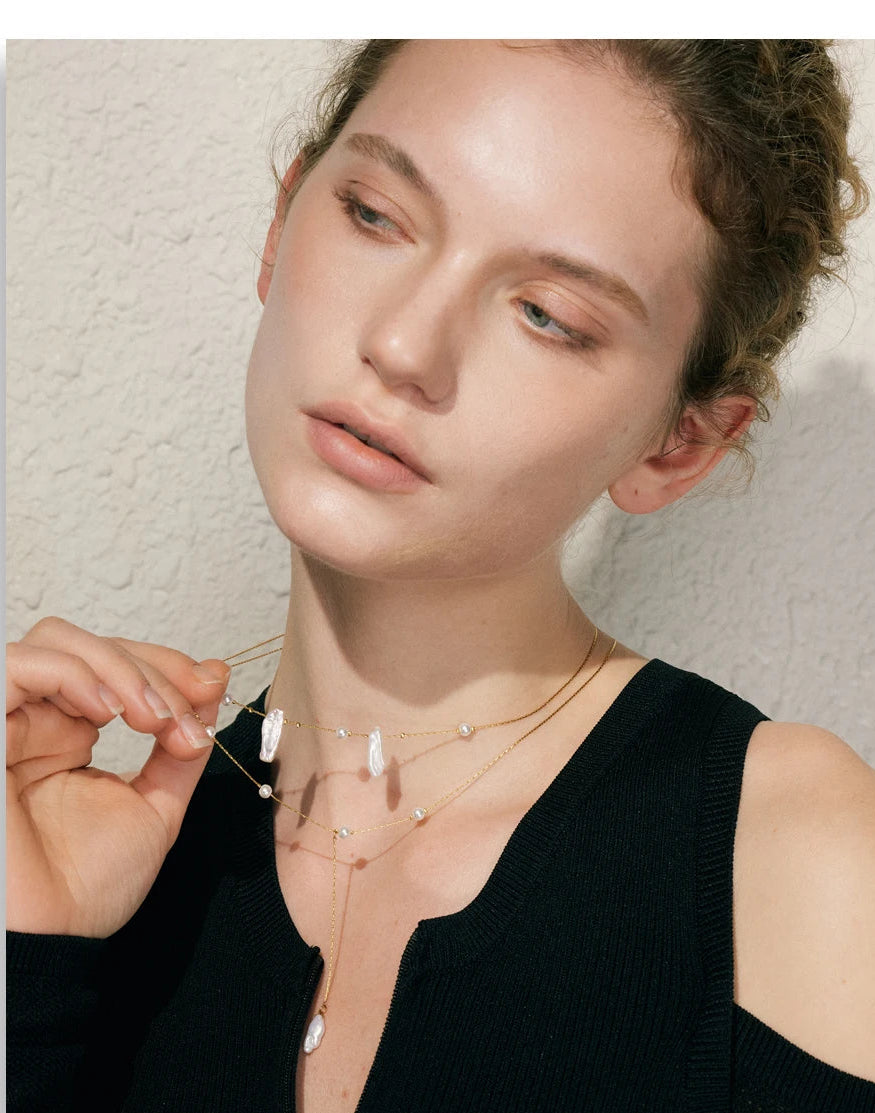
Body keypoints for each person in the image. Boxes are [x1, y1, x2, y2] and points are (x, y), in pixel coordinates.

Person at [6, 38, 875, 1113]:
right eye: (375, 216)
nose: (406, 344)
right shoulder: (96, 845)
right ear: (281, 225)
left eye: (547, 315)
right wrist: (29, 966)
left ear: (676, 446)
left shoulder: (785, 851)